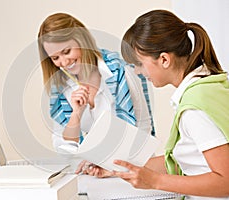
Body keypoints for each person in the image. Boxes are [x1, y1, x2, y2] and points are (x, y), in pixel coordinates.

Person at [112, 9, 229, 199]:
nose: (137, 71)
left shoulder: (194, 107)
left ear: (164, 59)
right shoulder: (210, 85)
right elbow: (185, 161)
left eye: (139, 63)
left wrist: (155, 181)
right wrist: (118, 168)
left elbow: (226, 181)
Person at [37, 13, 154, 175]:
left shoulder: (120, 70)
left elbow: (143, 127)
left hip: (133, 170)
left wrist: (112, 164)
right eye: (55, 58)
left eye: (67, 51)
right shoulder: (61, 87)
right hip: (93, 175)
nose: (63, 63)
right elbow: (62, 147)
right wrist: (76, 115)